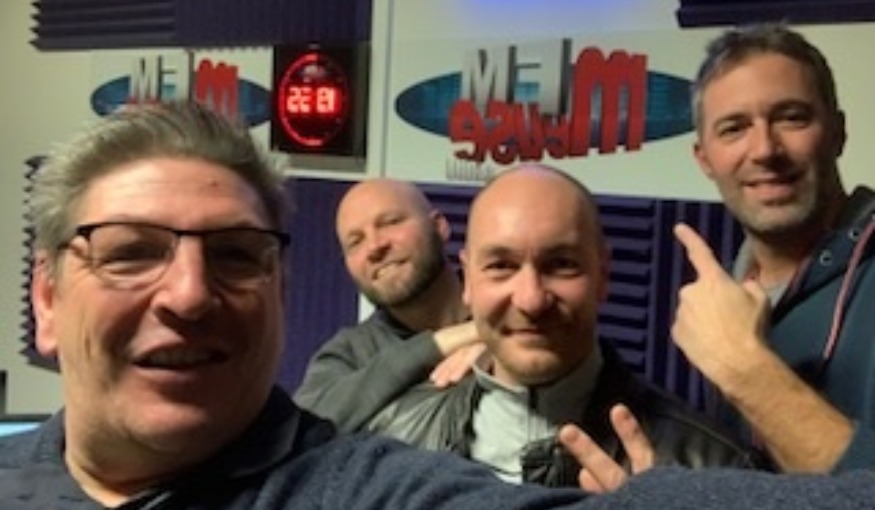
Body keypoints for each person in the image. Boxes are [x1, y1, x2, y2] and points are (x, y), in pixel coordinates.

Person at [2, 96, 872, 510]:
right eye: (129, 252)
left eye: (234, 255)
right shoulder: (380, 392)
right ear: (45, 296)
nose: (190, 293)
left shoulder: (364, 486)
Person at [350, 164, 761, 489]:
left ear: (603, 275)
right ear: (469, 281)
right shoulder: (391, 442)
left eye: (561, 264)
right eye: (501, 266)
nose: (530, 299)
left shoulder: (713, 468)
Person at [671, 22, 875, 473]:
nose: (764, 149)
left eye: (791, 118)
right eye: (734, 128)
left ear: (838, 132)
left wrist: (747, 370)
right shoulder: (723, 295)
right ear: (705, 159)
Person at [293, 178, 482, 433]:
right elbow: (304, 429)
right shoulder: (350, 353)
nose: (374, 247)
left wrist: (498, 343)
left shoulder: (514, 308)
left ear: (439, 226)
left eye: (391, 222)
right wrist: (438, 344)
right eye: (355, 242)